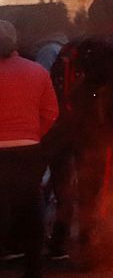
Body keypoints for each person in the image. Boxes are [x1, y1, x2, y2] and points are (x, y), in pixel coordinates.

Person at [50, 0, 113, 269]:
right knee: (112, 193)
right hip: (110, 134)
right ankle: (101, 254)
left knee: (89, 193)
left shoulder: (71, 49)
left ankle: (96, 248)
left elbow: (57, 89)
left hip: (81, 133)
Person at [1, 20, 58, 278]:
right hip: (28, 149)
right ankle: (33, 268)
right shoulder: (36, 71)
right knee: (31, 205)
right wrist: (32, 134)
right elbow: (50, 113)